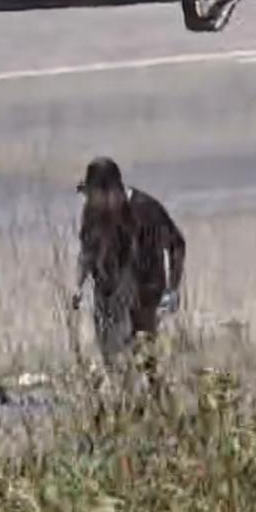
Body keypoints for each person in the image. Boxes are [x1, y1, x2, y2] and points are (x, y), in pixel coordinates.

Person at [71, 157, 185, 367]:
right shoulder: (92, 212)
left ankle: (153, 395)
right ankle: (122, 395)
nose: (90, 200)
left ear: (112, 191)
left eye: (93, 194)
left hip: (145, 291)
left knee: (144, 357)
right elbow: (86, 251)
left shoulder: (146, 210)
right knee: (112, 360)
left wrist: (172, 289)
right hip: (106, 293)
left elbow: (177, 244)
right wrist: (78, 286)